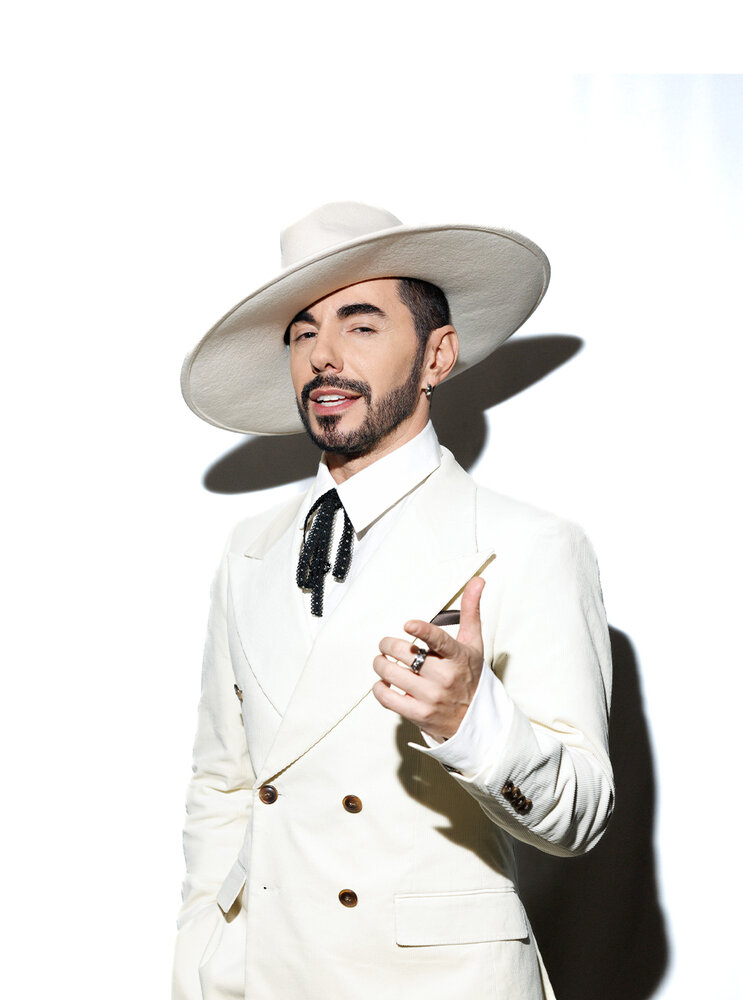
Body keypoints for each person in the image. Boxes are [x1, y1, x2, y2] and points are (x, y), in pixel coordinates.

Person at [174, 202, 614, 1000]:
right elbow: (223, 785)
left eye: (361, 324)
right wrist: (202, 956)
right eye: (302, 333)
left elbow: (580, 813)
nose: (323, 355)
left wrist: (468, 721)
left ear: (436, 355)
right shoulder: (250, 550)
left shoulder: (529, 544)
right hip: (266, 976)